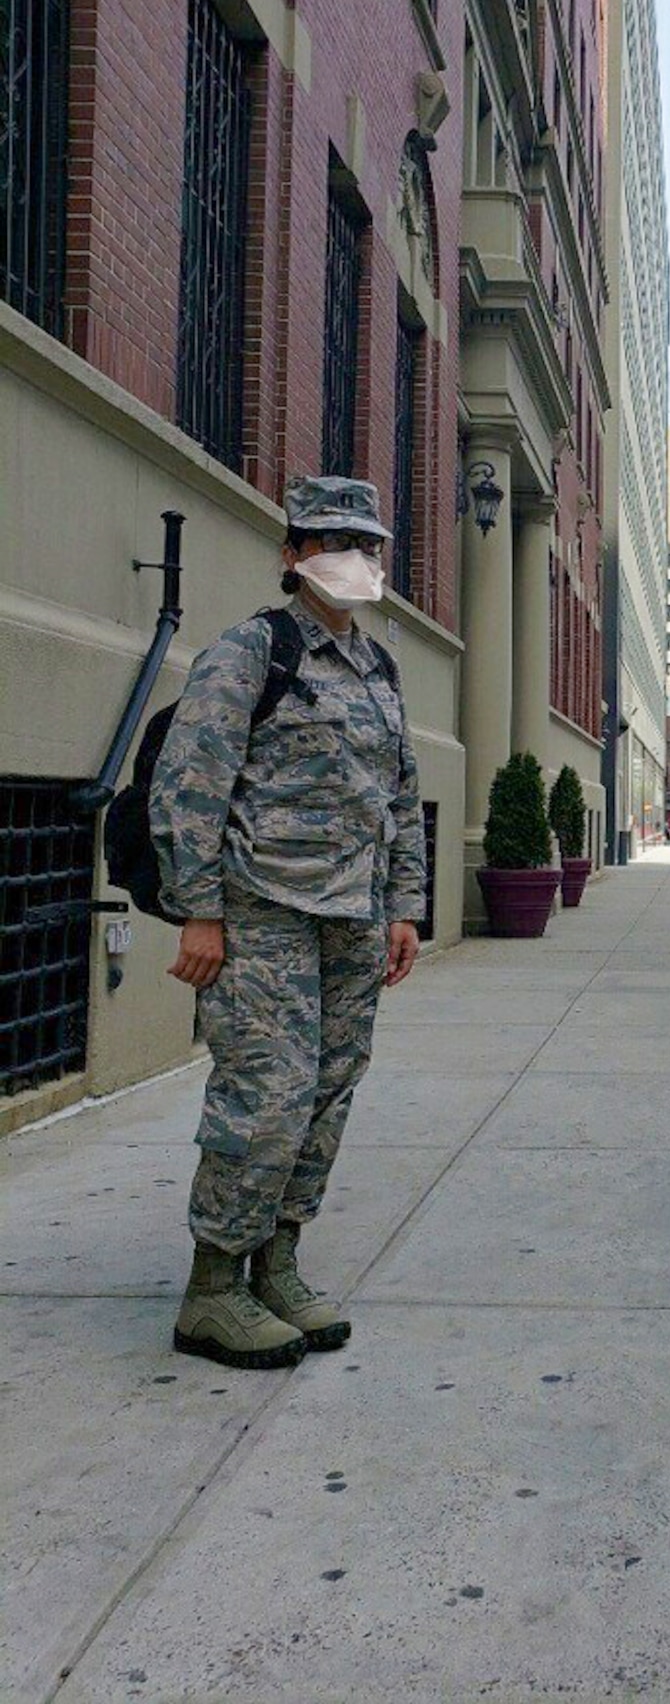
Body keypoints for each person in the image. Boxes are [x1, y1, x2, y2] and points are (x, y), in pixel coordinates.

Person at [151, 476, 426, 1371]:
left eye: (368, 545)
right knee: (265, 1094)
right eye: (331, 542)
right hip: (262, 908)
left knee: (328, 1089)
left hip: (351, 918)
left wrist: (403, 908)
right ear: (292, 556)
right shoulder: (252, 653)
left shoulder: (379, 667)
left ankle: (278, 1263)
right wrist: (199, 912)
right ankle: (213, 1288)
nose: (353, 560)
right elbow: (189, 788)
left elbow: (400, 796)